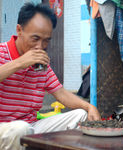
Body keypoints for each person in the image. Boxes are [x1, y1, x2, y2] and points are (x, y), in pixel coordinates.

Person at [0, 2, 101, 150]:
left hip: (31, 126)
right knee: (20, 130)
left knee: (80, 115)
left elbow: (60, 92)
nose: (40, 46)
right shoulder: (2, 52)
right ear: (19, 30)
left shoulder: (41, 62)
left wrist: (89, 106)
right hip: (5, 129)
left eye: (46, 40)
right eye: (35, 38)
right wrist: (20, 63)